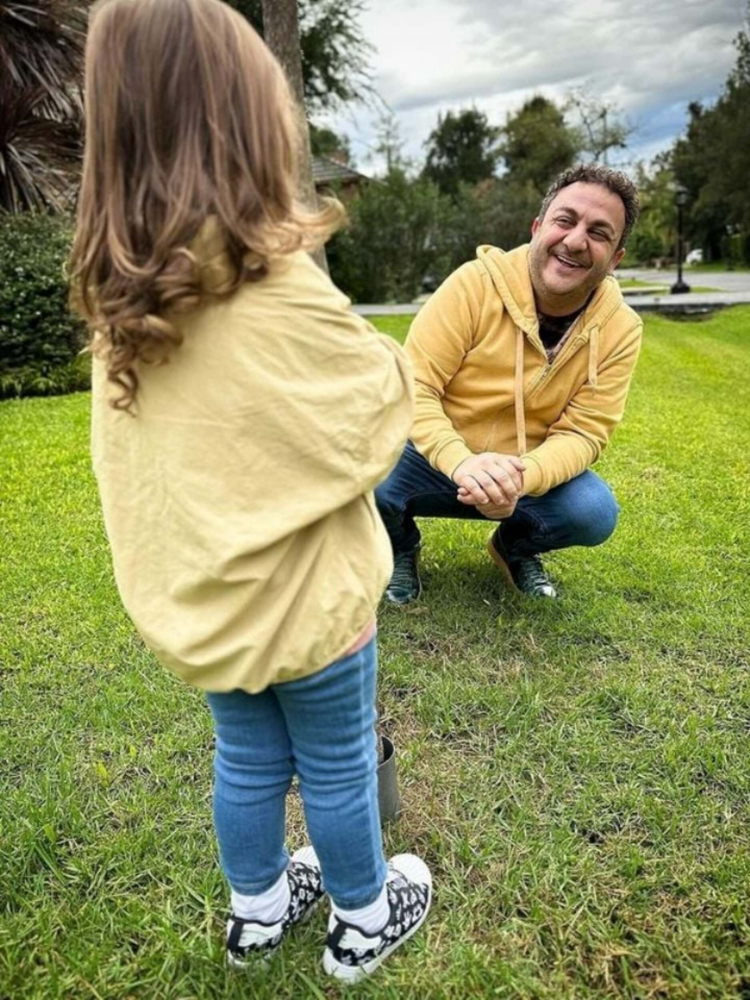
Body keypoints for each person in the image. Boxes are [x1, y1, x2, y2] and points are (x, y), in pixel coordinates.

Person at [71, 0, 431, 982]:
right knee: (338, 764)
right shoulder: (269, 283)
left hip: (210, 604)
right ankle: (361, 916)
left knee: (245, 761)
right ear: (252, 132)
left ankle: (257, 912)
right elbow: (370, 408)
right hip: (307, 605)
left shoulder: (120, 312)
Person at [376, 164, 644, 603]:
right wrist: (460, 462)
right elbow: (416, 387)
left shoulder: (621, 328)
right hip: (433, 459)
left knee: (592, 512)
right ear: (538, 227)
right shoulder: (472, 286)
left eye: (599, 233)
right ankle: (399, 546)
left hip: (522, 473)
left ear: (615, 259)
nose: (576, 241)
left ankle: (512, 548)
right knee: (357, 471)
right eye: (565, 220)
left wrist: (521, 478)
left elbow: (584, 432)